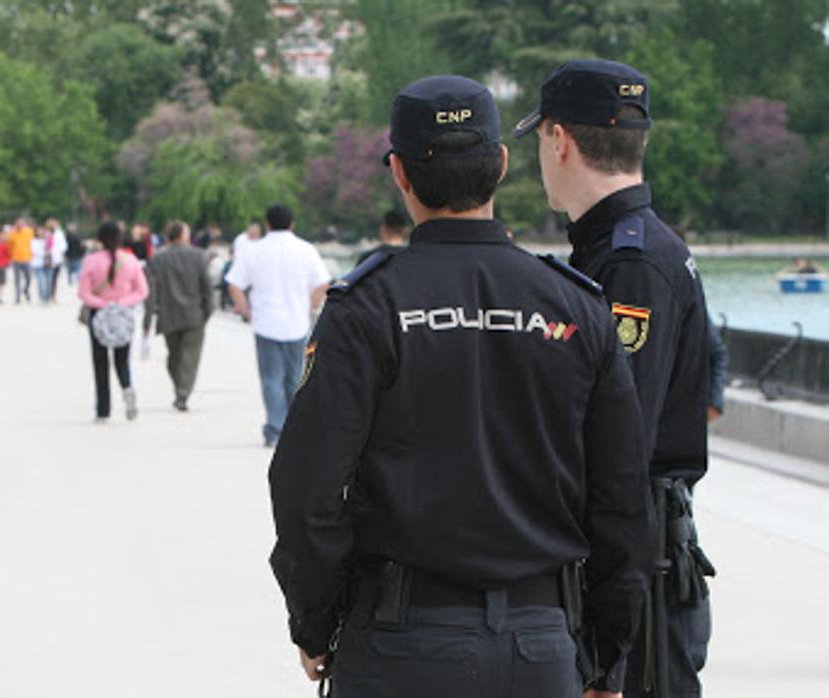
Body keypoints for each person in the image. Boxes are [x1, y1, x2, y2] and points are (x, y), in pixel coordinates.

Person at [270, 75, 655, 698]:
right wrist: (606, 653)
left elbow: (305, 488)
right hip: (540, 644)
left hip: (401, 643)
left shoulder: (368, 307)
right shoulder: (577, 306)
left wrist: (315, 621)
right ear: (501, 164)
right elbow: (624, 497)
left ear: (399, 172)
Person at [515, 58, 713, 698]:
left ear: (559, 139)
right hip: (636, 561)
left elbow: (619, 447)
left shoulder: (629, 265)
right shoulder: (630, 248)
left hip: (637, 576)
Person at [225, 204, 330, 447]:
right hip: (297, 323)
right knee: (295, 378)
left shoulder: (253, 251)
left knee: (271, 378)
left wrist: (246, 311)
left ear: (267, 224)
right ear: (292, 224)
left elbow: (234, 284)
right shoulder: (306, 250)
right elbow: (323, 282)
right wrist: (310, 306)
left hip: (266, 323)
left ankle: (274, 428)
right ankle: (294, 428)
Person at [78, 221, 149, 422]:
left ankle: (103, 409)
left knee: (100, 361)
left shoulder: (91, 261)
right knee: (122, 359)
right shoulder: (131, 260)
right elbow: (142, 291)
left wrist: (102, 303)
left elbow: (83, 292)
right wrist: (121, 303)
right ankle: (127, 387)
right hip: (123, 315)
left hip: (99, 314)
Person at [144, 220, 214, 411]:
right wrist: (207, 311)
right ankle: (183, 391)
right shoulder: (199, 256)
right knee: (190, 357)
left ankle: (180, 390)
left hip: (169, 315)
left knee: (174, 357)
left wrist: (148, 319)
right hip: (194, 315)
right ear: (183, 235)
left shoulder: (157, 259)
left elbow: (150, 292)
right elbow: (207, 288)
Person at [8, 219, 35, 303]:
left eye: (21, 224)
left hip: (27, 258)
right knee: (17, 279)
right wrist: (10, 257)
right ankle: (17, 297)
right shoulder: (12, 233)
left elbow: (33, 243)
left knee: (29, 278)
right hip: (16, 259)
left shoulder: (29, 232)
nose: (19, 226)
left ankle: (26, 290)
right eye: (18, 224)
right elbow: (9, 246)